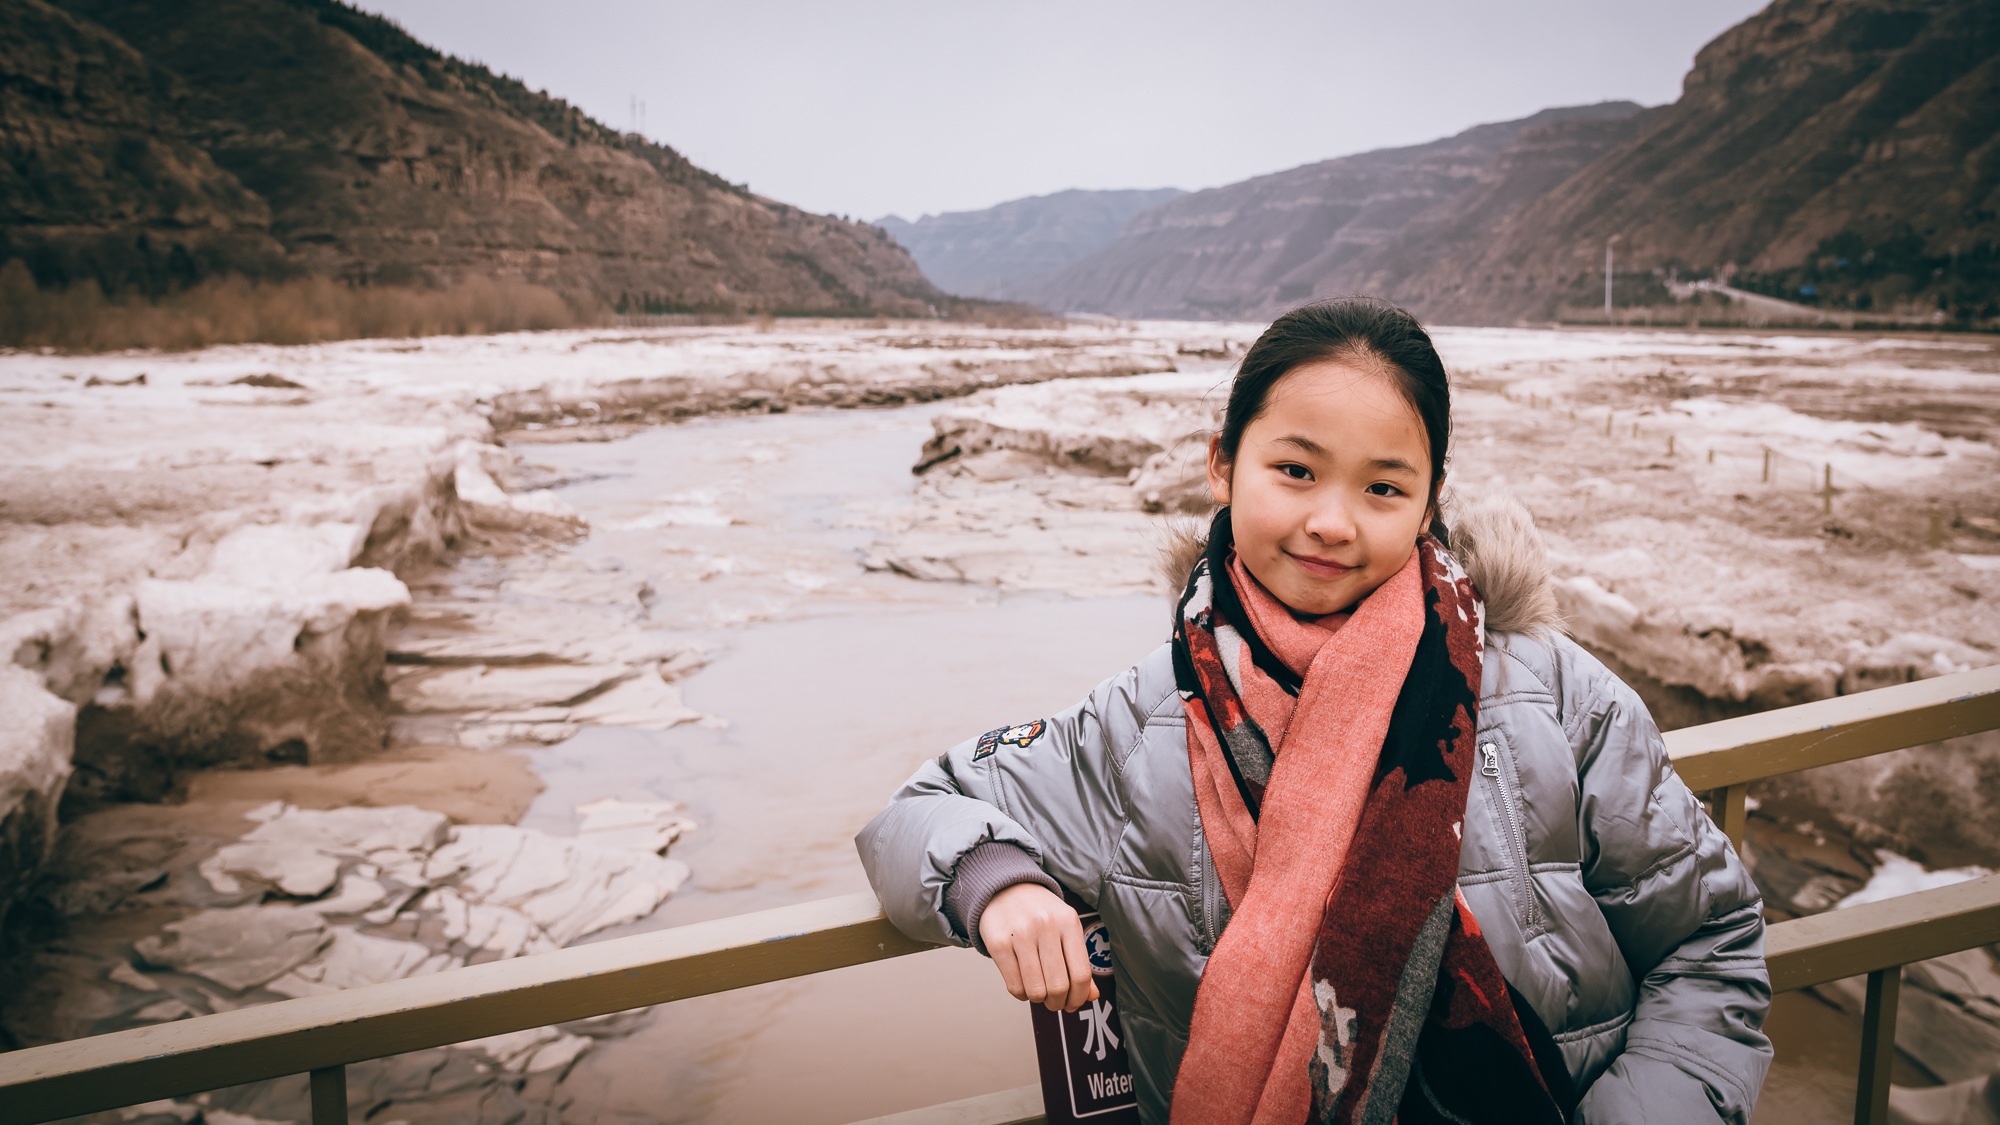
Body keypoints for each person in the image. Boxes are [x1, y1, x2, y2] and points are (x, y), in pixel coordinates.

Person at [856, 299, 1771, 1124]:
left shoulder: (1549, 689)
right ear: (1223, 465)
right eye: (1296, 470)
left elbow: (1708, 943)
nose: (1334, 521)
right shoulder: (1138, 725)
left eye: (1382, 486)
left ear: (1428, 501)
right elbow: (916, 812)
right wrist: (996, 882)